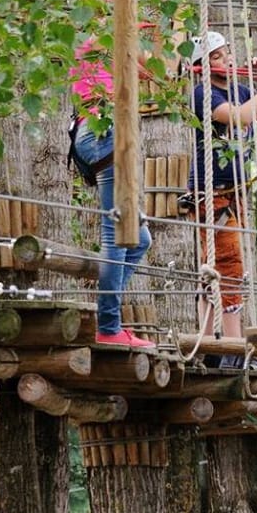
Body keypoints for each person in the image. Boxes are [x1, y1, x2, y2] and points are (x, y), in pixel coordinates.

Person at [188, 31, 257, 345]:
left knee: (219, 267)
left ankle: (209, 341)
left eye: (226, 53)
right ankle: (231, 345)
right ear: (201, 66)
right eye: (216, 56)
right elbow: (239, 118)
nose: (225, 59)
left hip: (235, 192)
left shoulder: (240, 89)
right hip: (211, 191)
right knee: (228, 264)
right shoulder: (202, 94)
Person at [68, 38, 155, 349]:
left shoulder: (100, 39)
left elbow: (145, 73)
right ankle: (108, 327)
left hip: (94, 130)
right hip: (103, 131)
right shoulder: (111, 34)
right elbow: (162, 70)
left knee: (140, 239)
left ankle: (108, 316)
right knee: (118, 235)